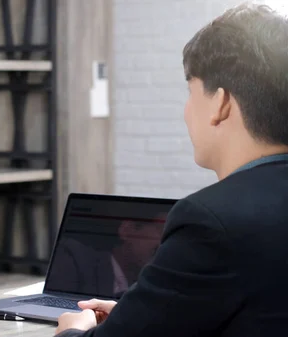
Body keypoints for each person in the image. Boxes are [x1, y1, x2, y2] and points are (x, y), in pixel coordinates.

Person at [55, 3, 288, 336]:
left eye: (190, 91)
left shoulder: (212, 222)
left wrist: (73, 329)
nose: (186, 110)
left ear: (220, 103)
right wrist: (140, 314)